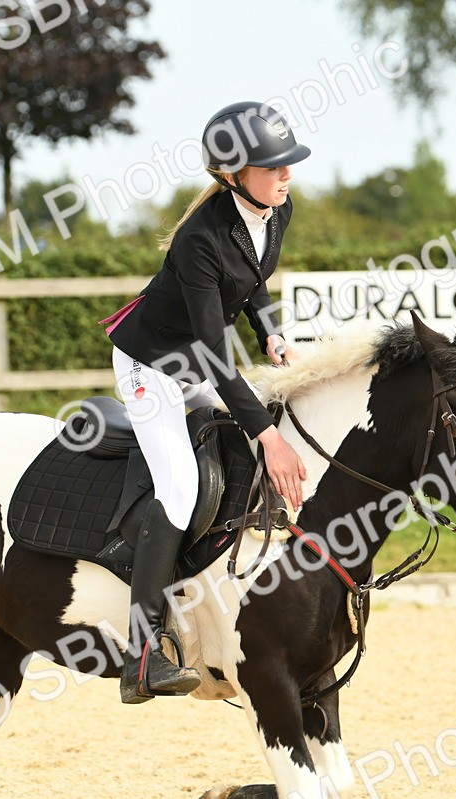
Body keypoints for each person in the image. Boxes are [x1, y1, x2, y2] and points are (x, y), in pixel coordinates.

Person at [99, 101, 310, 704]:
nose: (286, 175)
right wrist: (269, 435)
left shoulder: (277, 207)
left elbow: (253, 282)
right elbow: (218, 358)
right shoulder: (198, 240)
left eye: (287, 164)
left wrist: (269, 329)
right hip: (149, 368)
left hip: (190, 359)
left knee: (227, 462)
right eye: (273, 167)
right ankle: (142, 655)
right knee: (180, 489)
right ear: (231, 174)